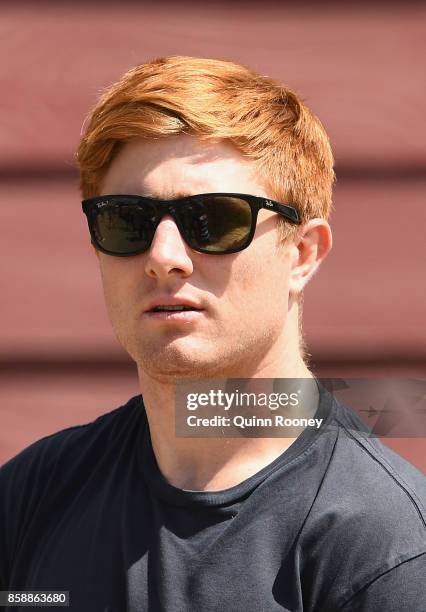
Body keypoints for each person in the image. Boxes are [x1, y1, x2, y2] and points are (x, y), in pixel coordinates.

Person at [0, 56, 425, 612]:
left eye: (216, 220)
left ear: (302, 254)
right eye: (126, 219)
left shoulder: (384, 547)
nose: (164, 257)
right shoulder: (33, 495)